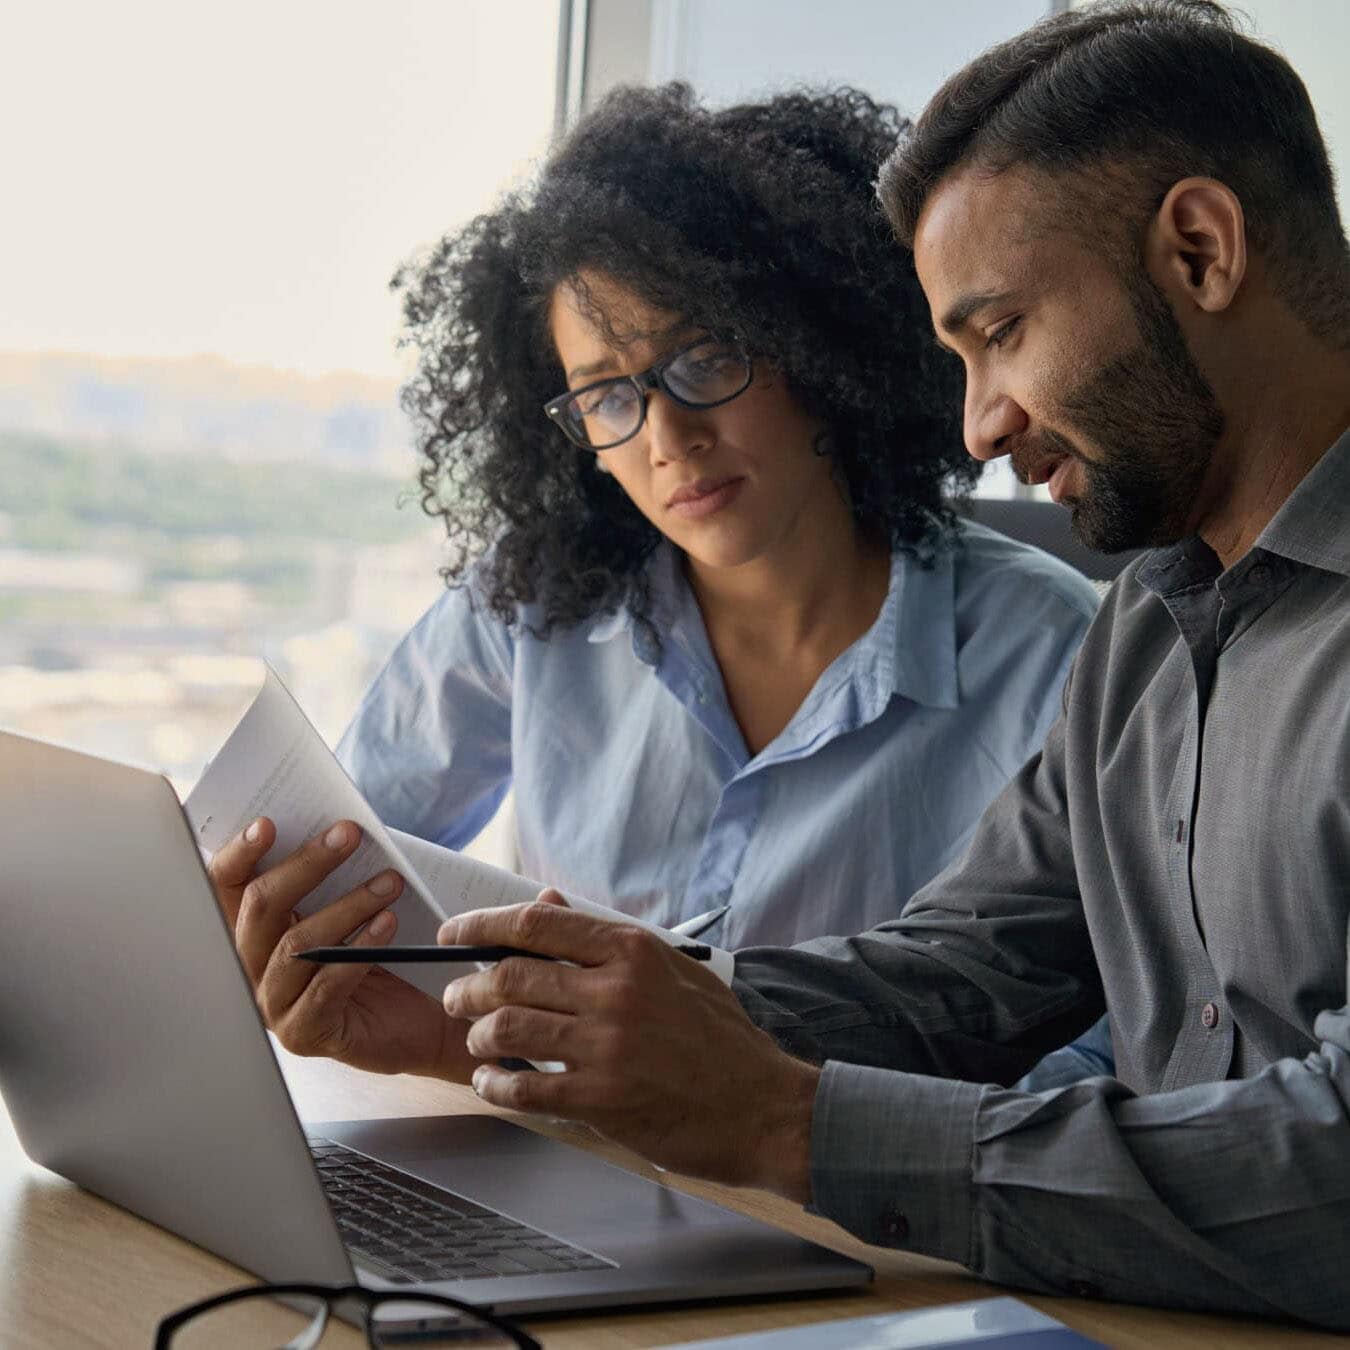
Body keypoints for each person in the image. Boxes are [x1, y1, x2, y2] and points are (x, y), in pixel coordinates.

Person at [378, 0, 1347, 1327]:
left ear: (1197, 247)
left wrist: (795, 1128)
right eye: (954, 356)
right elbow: (962, 971)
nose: (981, 421)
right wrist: (569, 1026)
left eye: (1000, 332)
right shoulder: (1152, 630)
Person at [330, 83, 1097, 953]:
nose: (666, 436)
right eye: (606, 395)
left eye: (703, 359)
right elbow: (338, 851)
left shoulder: (1054, 656)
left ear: (821, 350)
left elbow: (1100, 1050)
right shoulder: (530, 609)